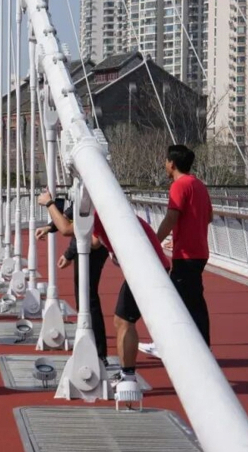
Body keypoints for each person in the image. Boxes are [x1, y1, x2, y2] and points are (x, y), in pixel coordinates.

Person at [91, 212, 170, 385]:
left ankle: (128, 376)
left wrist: (49, 204)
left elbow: (67, 229)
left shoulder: (99, 215)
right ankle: (126, 373)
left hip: (147, 270)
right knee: (124, 320)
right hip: (149, 268)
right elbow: (94, 242)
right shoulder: (109, 212)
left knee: (124, 321)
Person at [35, 192, 109, 364]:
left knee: (88, 297)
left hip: (99, 248)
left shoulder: (95, 194)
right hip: (94, 245)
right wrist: (50, 227)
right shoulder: (88, 192)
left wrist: (49, 203)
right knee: (85, 296)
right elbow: (74, 214)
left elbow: (72, 229)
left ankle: (98, 354)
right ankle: (96, 352)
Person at [152, 144, 213, 351]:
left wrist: (155, 241)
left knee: (176, 301)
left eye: (166, 161)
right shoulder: (199, 185)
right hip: (199, 251)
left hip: (186, 254)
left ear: (172, 163)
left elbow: (172, 217)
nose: (165, 164)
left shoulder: (179, 186)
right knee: (193, 300)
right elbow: (209, 217)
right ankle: (200, 346)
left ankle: (172, 345)